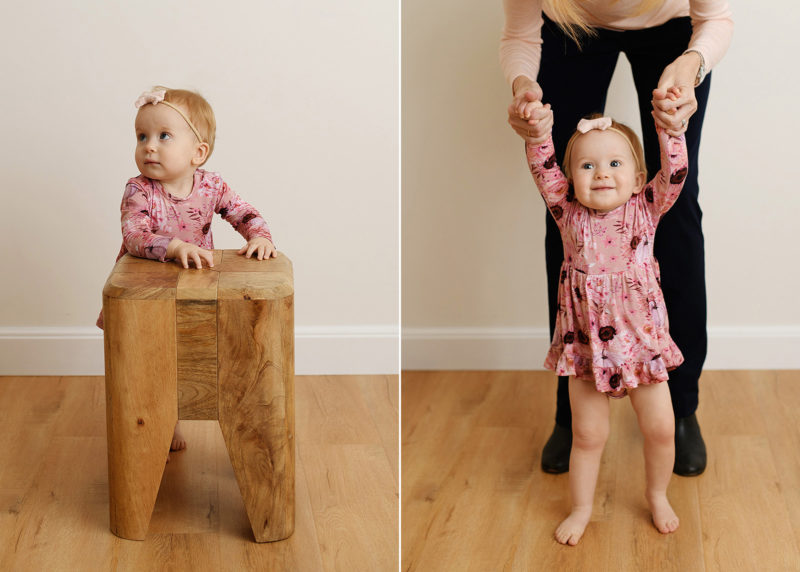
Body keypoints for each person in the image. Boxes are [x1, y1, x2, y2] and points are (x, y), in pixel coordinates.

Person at [501, 0, 733, 476]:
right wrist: (524, 87)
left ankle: (681, 408)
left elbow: (715, 19)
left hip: (671, 31)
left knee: (678, 210)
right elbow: (522, 36)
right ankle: (571, 414)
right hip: (572, 30)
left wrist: (692, 64)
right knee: (569, 215)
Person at [526, 107, 688, 545]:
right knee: (588, 434)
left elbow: (675, 173)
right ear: (571, 179)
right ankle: (581, 508)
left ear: (637, 179)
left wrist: (670, 131)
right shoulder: (566, 213)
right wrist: (539, 134)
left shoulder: (645, 210)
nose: (601, 174)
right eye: (587, 165)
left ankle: (657, 494)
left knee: (660, 428)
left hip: (642, 345)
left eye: (615, 163)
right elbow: (542, 169)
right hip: (586, 349)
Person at [98, 87, 277, 455]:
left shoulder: (212, 186)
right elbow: (134, 236)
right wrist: (175, 247)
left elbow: (245, 213)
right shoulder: (139, 190)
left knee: (192, 353)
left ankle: (208, 411)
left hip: (194, 288)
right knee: (150, 359)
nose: (149, 146)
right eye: (142, 136)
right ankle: (158, 420)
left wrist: (259, 236)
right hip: (146, 293)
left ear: (199, 153)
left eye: (164, 136)